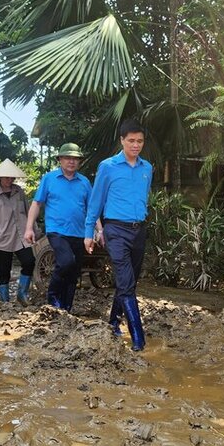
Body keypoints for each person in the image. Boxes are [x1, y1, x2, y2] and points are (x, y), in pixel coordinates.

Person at [84, 119, 152, 351]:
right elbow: (95, 203)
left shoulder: (147, 168)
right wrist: (88, 233)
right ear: (122, 140)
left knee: (129, 283)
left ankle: (113, 322)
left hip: (139, 229)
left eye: (140, 141)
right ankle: (138, 340)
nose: (136, 145)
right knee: (126, 281)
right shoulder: (108, 167)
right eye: (131, 140)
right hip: (115, 230)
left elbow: (144, 198)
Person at [25, 143, 99, 312]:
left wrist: (99, 230)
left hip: (80, 232)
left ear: (79, 161)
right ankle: (53, 298)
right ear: (60, 160)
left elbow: (92, 209)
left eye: (75, 159)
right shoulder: (49, 179)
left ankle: (66, 308)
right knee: (66, 262)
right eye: (67, 158)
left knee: (74, 271)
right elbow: (37, 203)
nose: (71, 162)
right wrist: (29, 228)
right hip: (56, 231)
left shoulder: (84, 182)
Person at [0, 159, 36, 304]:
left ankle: (22, 294)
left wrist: (34, 230)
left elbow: (29, 212)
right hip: (2, 237)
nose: (9, 180)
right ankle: (5, 300)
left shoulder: (18, 191)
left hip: (21, 236)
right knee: (4, 271)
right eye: (6, 177)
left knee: (29, 262)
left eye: (11, 177)